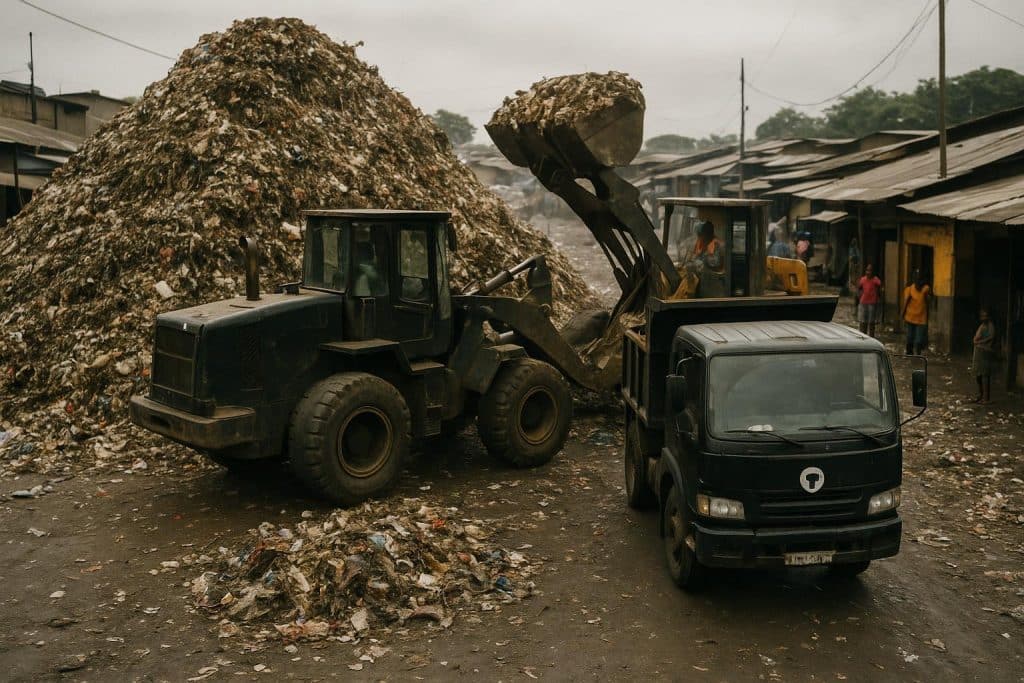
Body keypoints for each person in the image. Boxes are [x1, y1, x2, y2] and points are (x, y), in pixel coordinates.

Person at [690, 220, 726, 297]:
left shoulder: (717, 244)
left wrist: (705, 256)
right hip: (705, 280)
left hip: (715, 283)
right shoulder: (704, 243)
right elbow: (695, 256)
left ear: (707, 234)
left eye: (701, 235)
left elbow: (715, 263)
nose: (700, 238)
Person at [902, 269, 932, 355]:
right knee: (909, 337)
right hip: (910, 317)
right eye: (917, 279)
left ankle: (918, 355)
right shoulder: (910, 289)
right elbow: (906, 302)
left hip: (921, 318)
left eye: (920, 279)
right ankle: (909, 353)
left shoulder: (926, 289)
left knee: (919, 339)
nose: (919, 281)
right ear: (914, 280)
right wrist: (903, 314)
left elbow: (928, 302)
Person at [972, 308, 996, 404]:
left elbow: (991, 337)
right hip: (979, 351)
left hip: (985, 352)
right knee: (978, 375)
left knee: (985, 375)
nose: (983, 318)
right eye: (982, 316)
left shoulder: (990, 326)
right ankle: (980, 395)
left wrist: (979, 341)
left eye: (985, 316)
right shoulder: (983, 325)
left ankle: (986, 398)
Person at [856, 264, 883, 337]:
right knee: (862, 322)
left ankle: (871, 338)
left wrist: (879, 300)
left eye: (870, 270)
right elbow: (859, 288)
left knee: (871, 323)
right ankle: (863, 337)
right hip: (863, 303)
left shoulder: (876, 280)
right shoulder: (863, 279)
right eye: (867, 270)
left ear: (873, 272)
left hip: (872, 303)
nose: (868, 272)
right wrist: (859, 296)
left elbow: (880, 290)